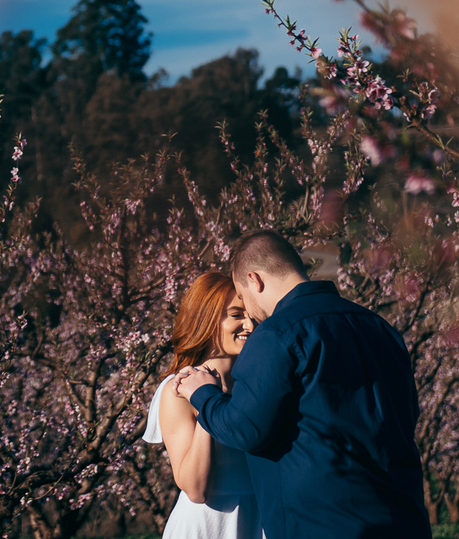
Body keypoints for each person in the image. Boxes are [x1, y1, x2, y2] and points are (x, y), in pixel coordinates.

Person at [175, 229, 431, 539]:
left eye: (243, 297)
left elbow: (245, 429)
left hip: (324, 523)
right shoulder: (380, 327)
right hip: (403, 516)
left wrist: (204, 395)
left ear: (254, 280)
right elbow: (407, 414)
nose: (250, 315)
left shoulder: (276, 334)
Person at [144, 272, 262, 539]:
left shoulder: (258, 384)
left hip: (258, 521)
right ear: (207, 319)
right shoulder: (177, 391)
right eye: (236, 315)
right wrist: (208, 400)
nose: (250, 326)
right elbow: (195, 489)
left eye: (251, 316)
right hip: (206, 527)